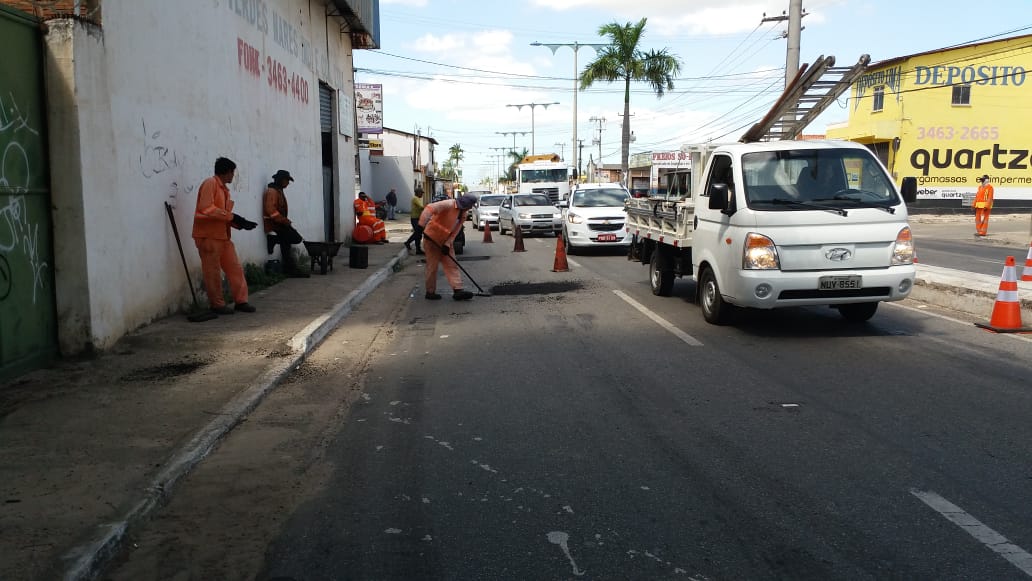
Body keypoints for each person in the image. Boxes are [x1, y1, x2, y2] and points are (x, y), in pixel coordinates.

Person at [192, 157, 257, 315]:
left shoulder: (224, 190)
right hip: (208, 237)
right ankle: (217, 305)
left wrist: (239, 223)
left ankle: (241, 301)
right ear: (227, 172)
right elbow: (206, 208)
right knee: (212, 272)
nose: (233, 176)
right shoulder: (210, 183)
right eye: (232, 172)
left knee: (235, 268)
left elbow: (224, 215)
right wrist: (233, 218)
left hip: (222, 236)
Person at [419, 193, 478, 301]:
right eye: (470, 205)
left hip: (445, 241)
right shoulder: (448, 204)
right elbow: (429, 208)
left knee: (451, 264)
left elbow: (455, 231)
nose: (471, 207)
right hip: (431, 238)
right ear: (465, 203)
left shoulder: (463, 214)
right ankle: (430, 292)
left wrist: (447, 244)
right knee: (432, 267)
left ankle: (458, 290)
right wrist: (421, 225)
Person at [262, 169, 309, 277]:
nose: (288, 183)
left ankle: (289, 269)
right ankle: (273, 240)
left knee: (286, 245)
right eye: (287, 181)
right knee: (295, 238)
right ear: (281, 180)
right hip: (275, 224)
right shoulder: (272, 191)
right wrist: (283, 220)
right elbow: (270, 210)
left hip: (280, 223)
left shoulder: (278, 190)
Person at [404, 187, 425, 254]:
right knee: (417, 233)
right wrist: (428, 208)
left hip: (418, 218)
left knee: (418, 234)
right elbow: (421, 207)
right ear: (418, 193)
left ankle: (418, 250)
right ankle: (408, 242)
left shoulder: (419, 199)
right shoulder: (415, 199)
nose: (422, 194)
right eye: (421, 193)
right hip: (414, 218)